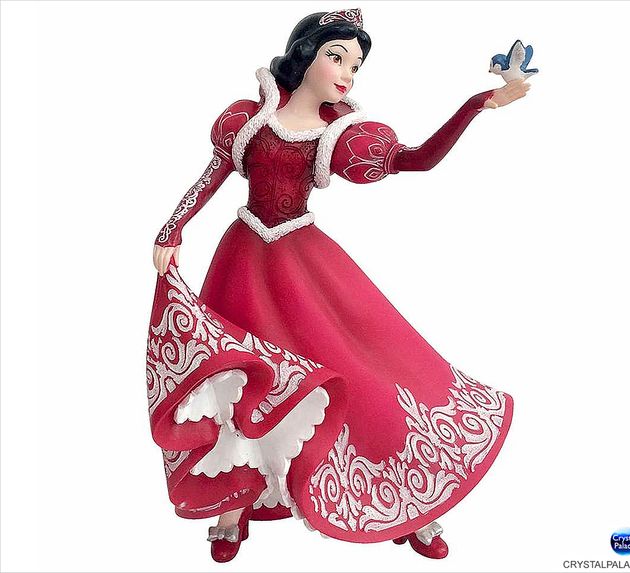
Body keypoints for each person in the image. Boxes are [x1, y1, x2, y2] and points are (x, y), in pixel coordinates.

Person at [146, 8, 526, 563]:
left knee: (365, 371)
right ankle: (233, 506)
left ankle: (411, 504)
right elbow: (211, 176)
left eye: (356, 64)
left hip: (303, 264)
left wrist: (476, 104)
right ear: (306, 55)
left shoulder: (338, 135)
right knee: (240, 380)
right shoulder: (249, 119)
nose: (348, 72)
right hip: (243, 261)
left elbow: (417, 160)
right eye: (337, 57)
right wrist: (172, 227)